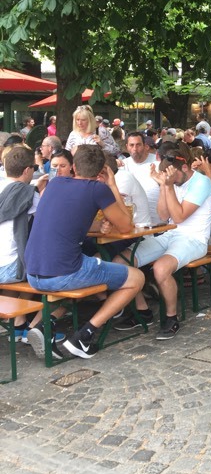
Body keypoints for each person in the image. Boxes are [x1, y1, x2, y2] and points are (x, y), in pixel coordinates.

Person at [24, 144, 145, 360]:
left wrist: (99, 228)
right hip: (64, 273)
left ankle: (45, 325)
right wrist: (112, 185)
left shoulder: (54, 184)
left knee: (83, 276)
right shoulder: (97, 189)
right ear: (100, 171)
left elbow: (67, 223)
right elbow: (127, 226)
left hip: (33, 274)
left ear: (73, 166)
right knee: (137, 277)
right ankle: (84, 336)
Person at [116, 142, 211, 340]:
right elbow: (162, 215)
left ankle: (171, 317)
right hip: (170, 234)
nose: (171, 179)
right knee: (121, 262)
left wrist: (167, 186)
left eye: (173, 175)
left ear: (184, 167)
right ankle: (142, 309)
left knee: (160, 269)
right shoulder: (172, 182)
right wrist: (164, 186)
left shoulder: (201, 182)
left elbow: (179, 217)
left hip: (194, 238)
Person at [0, 146, 48, 337]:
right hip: (11, 269)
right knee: (45, 270)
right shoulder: (29, 194)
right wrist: (40, 193)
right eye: (34, 169)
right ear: (27, 170)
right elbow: (47, 223)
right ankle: (36, 327)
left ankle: (18, 322)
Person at [121, 131, 164, 225]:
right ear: (127, 146)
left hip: (158, 224)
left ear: (145, 146)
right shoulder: (122, 165)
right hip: (133, 225)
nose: (135, 149)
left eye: (138, 145)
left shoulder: (157, 163)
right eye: (131, 145)